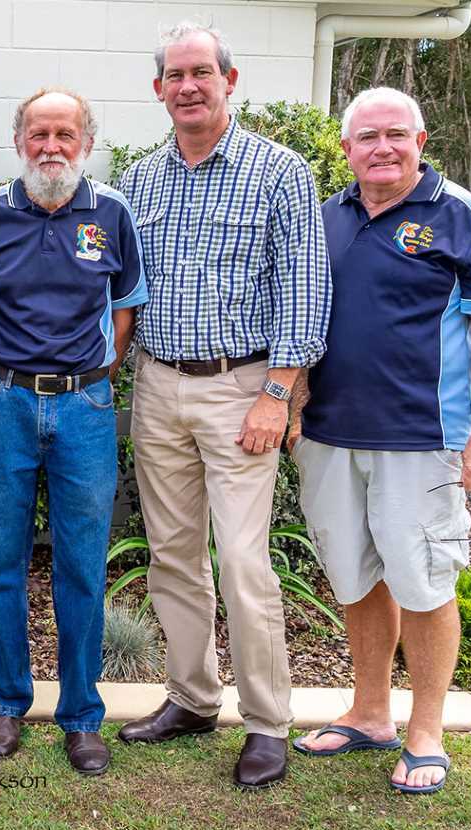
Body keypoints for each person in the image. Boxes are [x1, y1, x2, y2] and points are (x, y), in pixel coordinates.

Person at [116, 22, 331, 789]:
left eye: (202, 72)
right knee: (173, 556)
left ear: (229, 81)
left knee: (241, 560)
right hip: (157, 386)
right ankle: (193, 698)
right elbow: (123, 293)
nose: (188, 86)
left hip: (244, 387)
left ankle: (268, 722)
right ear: (159, 90)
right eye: (175, 75)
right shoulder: (139, 181)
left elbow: (307, 289)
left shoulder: (279, 172)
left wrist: (280, 393)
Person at [290, 88, 471, 794]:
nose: (381, 148)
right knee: (357, 577)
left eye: (396, 134)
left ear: (422, 139)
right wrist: (294, 401)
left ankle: (426, 732)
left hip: (423, 438)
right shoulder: (327, 217)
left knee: (422, 582)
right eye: (367, 137)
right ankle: (368, 713)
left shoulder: (459, 216)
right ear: (345, 148)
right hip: (329, 435)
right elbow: (305, 316)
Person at [0, 87, 148, 775]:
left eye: (65, 134)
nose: (51, 148)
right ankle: (6, 705)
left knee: (81, 567)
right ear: (19, 142)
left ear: (86, 142)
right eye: (38, 134)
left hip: (84, 410)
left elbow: (123, 309)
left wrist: (97, 375)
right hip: (0, 400)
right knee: (2, 563)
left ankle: (81, 716)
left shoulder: (113, 213)